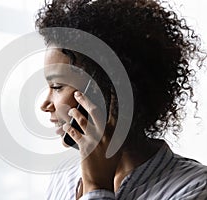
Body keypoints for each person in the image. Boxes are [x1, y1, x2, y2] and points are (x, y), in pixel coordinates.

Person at [36, 0, 207, 199]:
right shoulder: (63, 178)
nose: (45, 105)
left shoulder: (194, 188)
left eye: (57, 86)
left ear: (109, 91)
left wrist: (96, 186)